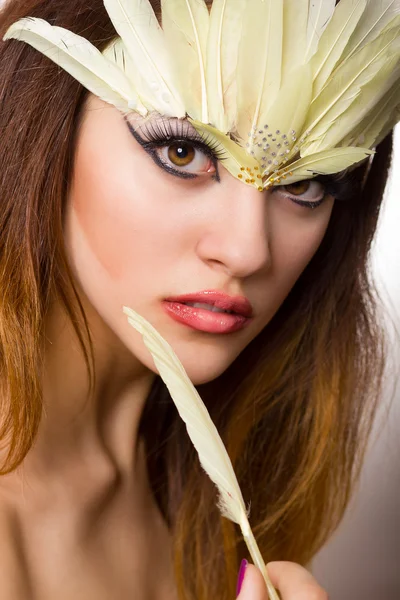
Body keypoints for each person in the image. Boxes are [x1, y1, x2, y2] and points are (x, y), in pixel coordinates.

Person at [0, 0, 398, 598]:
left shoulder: (222, 517)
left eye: (304, 181)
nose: (247, 251)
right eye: (181, 152)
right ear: (45, 124)